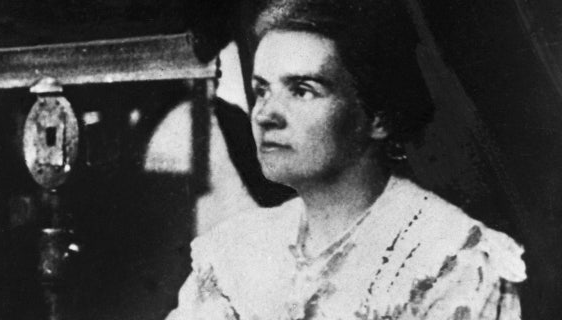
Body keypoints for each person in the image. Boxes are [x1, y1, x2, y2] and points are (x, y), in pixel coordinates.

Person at [167, 0, 526, 319]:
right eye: (262, 90)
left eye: (302, 90)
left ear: (377, 117)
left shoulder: (449, 262)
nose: (265, 115)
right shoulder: (237, 249)